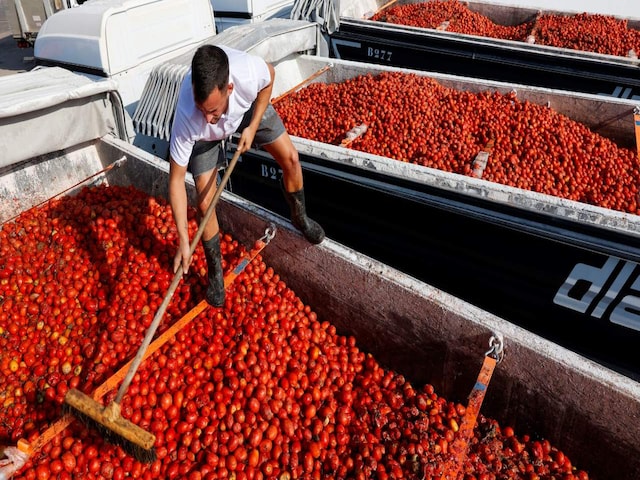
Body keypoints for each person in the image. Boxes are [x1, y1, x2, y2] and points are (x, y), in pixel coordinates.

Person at [168, 44, 325, 307]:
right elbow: (176, 180)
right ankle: (216, 273)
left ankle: (300, 216)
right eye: (201, 109)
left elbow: (270, 77)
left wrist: (252, 127)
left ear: (228, 88)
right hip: (204, 141)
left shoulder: (248, 74)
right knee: (205, 202)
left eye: (213, 110)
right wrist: (184, 239)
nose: (207, 117)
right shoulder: (188, 114)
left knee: (292, 159)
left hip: (247, 112)